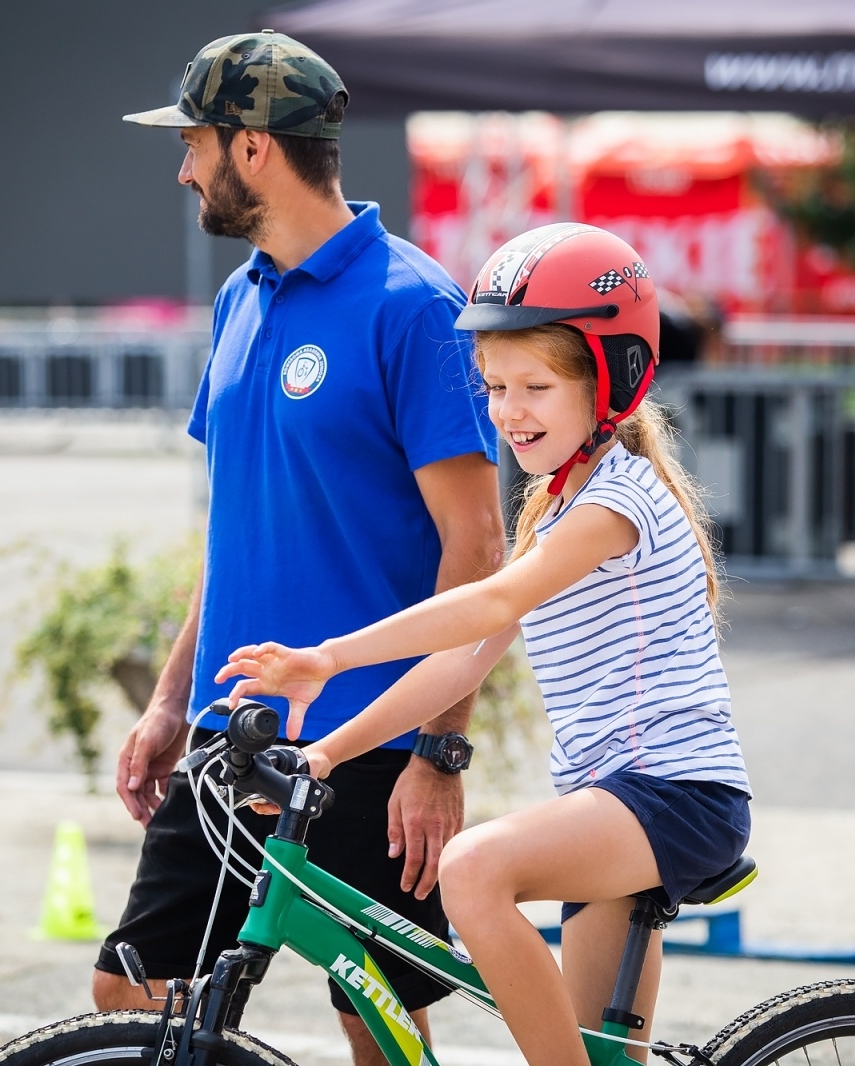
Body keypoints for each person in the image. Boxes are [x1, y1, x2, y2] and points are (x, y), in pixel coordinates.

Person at [220, 224, 753, 1066]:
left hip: (672, 797)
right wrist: (324, 753)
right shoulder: (556, 502)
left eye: (535, 386)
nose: (508, 411)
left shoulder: (618, 504)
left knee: (472, 871)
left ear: (612, 379)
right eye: (494, 386)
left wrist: (328, 658)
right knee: (600, 1056)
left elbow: (488, 602)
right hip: (616, 799)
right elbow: (460, 661)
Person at [97, 31, 504, 1066]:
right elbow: (234, 529)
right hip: (231, 734)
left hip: (362, 740)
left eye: (192, 142)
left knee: (373, 1023)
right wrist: (167, 701)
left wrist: (436, 750)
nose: (181, 167)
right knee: (131, 987)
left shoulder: (412, 307)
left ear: (250, 149)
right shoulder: (240, 300)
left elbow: (479, 546)